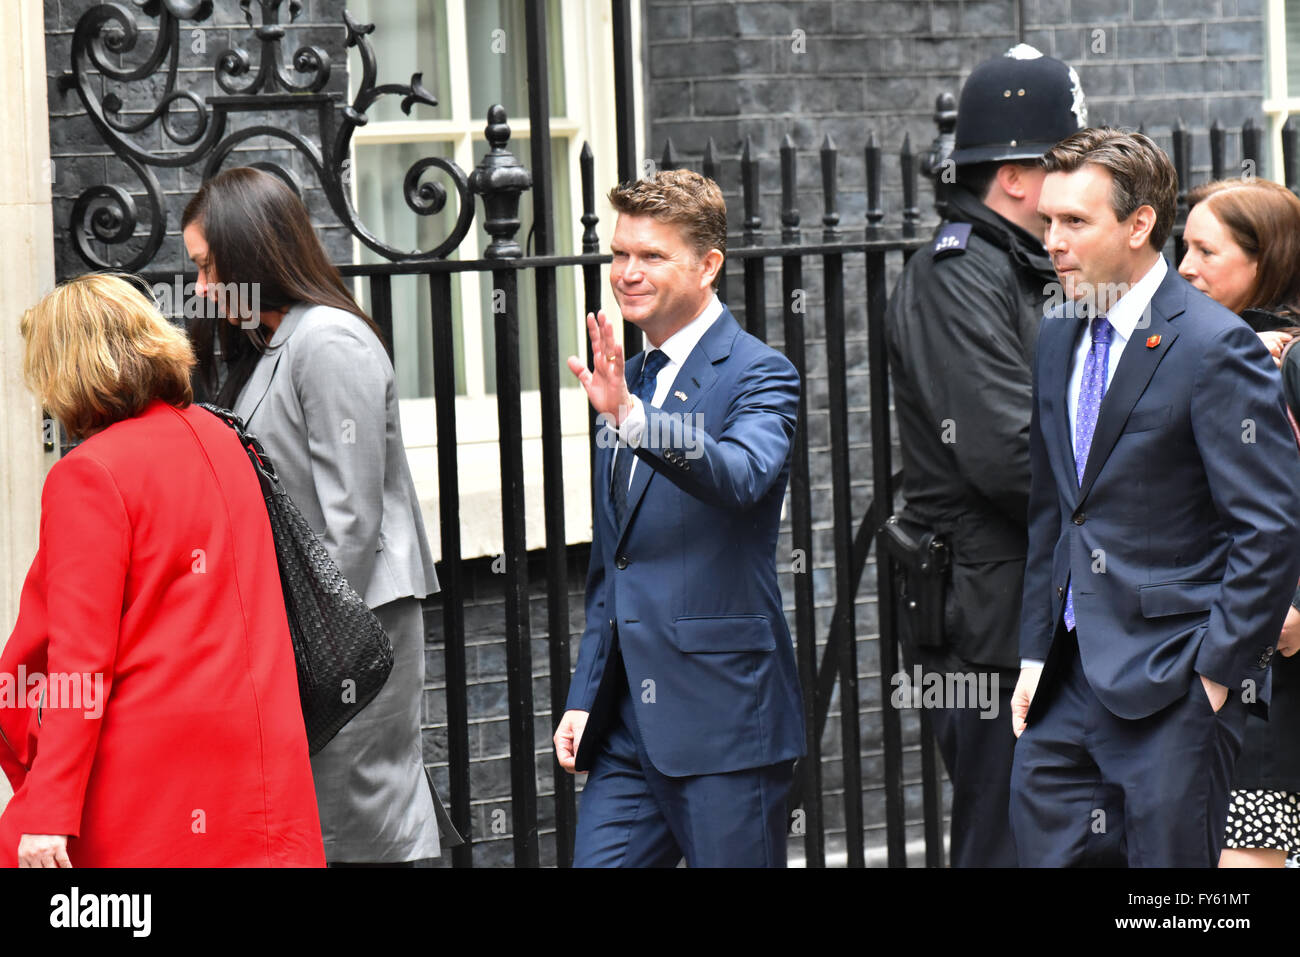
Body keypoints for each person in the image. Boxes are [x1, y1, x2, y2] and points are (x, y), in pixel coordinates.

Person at [1010, 127, 1300, 867]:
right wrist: (1036, 659)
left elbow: (1266, 529)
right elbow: (1055, 508)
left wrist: (1214, 677)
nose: (1054, 240)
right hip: (1063, 686)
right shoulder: (1059, 333)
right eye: (1048, 220)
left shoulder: (1214, 344)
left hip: (1174, 688)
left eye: (1076, 221)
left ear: (1140, 226)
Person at [0, 274, 324, 867]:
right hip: (256, 757)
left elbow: (80, 661)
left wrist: (48, 810)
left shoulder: (89, 474)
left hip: (151, 776)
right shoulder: (223, 436)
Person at [184, 167, 455, 866]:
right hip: (318, 625)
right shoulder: (276, 344)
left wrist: (301, 640)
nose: (201, 288)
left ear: (251, 252)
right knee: (325, 820)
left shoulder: (328, 340)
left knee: (360, 821)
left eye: (208, 265)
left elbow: (352, 519)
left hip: (355, 623)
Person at [553, 169, 804, 867]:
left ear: (708, 264)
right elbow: (614, 563)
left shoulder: (759, 372)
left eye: (652, 256)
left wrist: (632, 419)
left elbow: (741, 475)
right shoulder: (624, 378)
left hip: (725, 722)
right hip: (628, 730)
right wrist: (585, 697)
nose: (627, 274)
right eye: (620, 254)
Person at [884, 45, 1091, 867]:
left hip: (1045, 609)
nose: (1085, 181)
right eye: (1067, 162)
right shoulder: (958, 275)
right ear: (1014, 176)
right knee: (1008, 844)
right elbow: (1008, 455)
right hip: (990, 628)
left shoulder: (1031, 265)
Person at [1178, 178, 1300, 868]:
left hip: (1263, 664)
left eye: (1206, 250)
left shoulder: (1277, 359)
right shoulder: (1205, 346)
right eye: (1183, 246)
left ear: (1266, 260)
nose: (1187, 265)